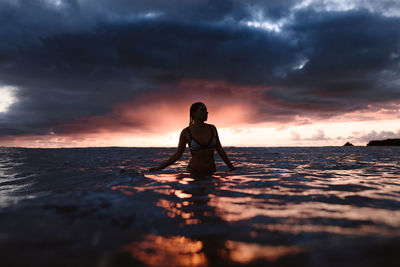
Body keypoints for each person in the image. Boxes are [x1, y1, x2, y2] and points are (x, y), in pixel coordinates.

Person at [149, 102, 235, 175]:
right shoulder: (186, 132)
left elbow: (220, 151)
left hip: (211, 173)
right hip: (194, 173)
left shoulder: (212, 128)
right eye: (203, 110)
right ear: (194, 113)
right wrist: (160, 167)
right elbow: (177, 155)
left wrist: (232, 168)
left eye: (206, 110)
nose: (206, 112)